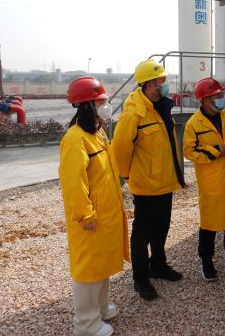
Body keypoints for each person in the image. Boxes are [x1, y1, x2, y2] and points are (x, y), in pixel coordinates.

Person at [59, 76, 129, 336]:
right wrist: (85, 214)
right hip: (91, 217)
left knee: (102, 265)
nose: (105, 105)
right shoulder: (75, 139)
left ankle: (99, 309)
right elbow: (73, 183)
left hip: (105, 213)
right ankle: (86, 324)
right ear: (86, 105)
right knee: (88, 270)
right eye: (100, 102)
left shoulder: (95, 133)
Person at [110, 59, 185, 301]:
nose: (162, 86)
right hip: (145, 185)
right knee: (142, 234)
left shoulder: (161, 107)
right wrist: (127, 175)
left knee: (162, 226)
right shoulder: (134, 113)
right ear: (145, 85)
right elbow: (120, 149)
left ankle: (158, 265)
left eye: (162, 81)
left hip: (165, 182)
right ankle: (141, 278)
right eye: (157, 83)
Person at [183, 77, 225, 281]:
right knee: (210, 223)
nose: (221, 98)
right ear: (204, 100)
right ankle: (206, 261)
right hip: (212, 182)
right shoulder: (194, 124)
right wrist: (214, 150)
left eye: (221, 94)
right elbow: (189, 151)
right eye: (216, 96)